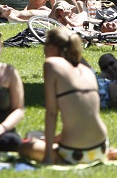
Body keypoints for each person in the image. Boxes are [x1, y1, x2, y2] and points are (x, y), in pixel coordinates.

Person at [19, 27, 109, 164]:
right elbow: (84, 120)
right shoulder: (86, 70)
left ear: (51, 47)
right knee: (38, 136)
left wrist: (48, 156)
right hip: (102, 147)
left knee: (24, 146)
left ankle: (53, 154)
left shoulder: (52, 64)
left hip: (74, 152)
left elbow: (51, 113)